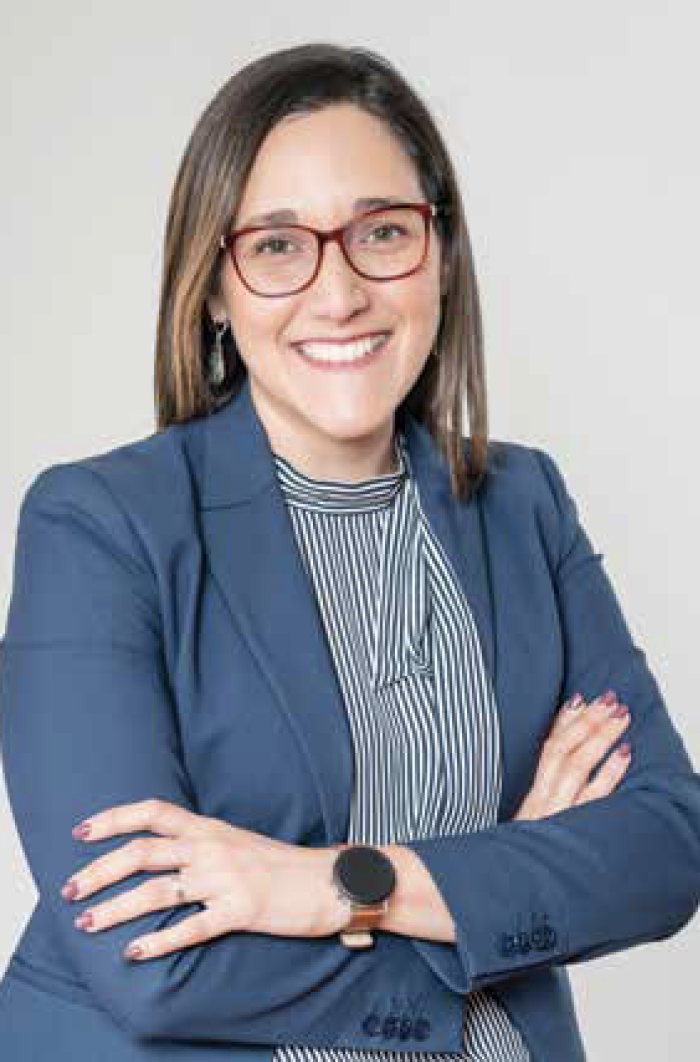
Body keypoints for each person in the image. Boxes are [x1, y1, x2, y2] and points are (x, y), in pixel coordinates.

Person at [0, 41, 698, 1062]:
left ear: (440, 255)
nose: (339, 295)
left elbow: (666, 849)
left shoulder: (524, 504)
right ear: (213, 286)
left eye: (382, 232)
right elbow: (150, 960)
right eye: (279, 245)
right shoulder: (100, 527)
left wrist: (326, 885)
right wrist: (499, 883)